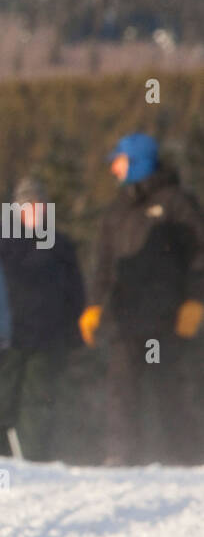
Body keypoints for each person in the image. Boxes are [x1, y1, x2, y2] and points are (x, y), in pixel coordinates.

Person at [82, 133, 204, 464]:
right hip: (125, 317)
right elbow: (104, 265)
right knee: (121, 390)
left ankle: (188, 458)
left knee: (171, 390)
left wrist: (196, 301)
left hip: (169, 318)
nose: (114, 170)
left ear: (137, 162)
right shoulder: (117, 210)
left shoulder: (177, 203)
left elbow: (199, 258)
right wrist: (93, 305)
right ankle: (121, 456)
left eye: (118, 162)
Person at [0, 176, 86, 460]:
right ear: (16, 209)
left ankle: (34, 456)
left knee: (39, 400)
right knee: (1, 398)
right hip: (10, 336)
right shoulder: (0, 242)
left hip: (48, 336)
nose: (35, 210)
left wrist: (73, 330)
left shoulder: (60, 244)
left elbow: (75, 292)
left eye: (39, 204)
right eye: (27, 205)